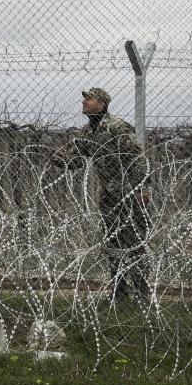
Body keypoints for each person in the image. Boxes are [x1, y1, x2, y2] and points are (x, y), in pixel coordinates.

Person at [55, 87, 153, 304]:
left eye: (88, 99)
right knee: (113, 244)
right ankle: (119, 294)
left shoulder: (117, 127)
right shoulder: (87, 133)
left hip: (129, 192)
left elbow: (137, 158)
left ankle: (142, 295)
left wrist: (141, 189)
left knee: (134, 244)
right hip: (109, 195)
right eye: (85, 99)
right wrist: (57, 158)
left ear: (102, 104)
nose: (84, 103)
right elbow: (77, 161)